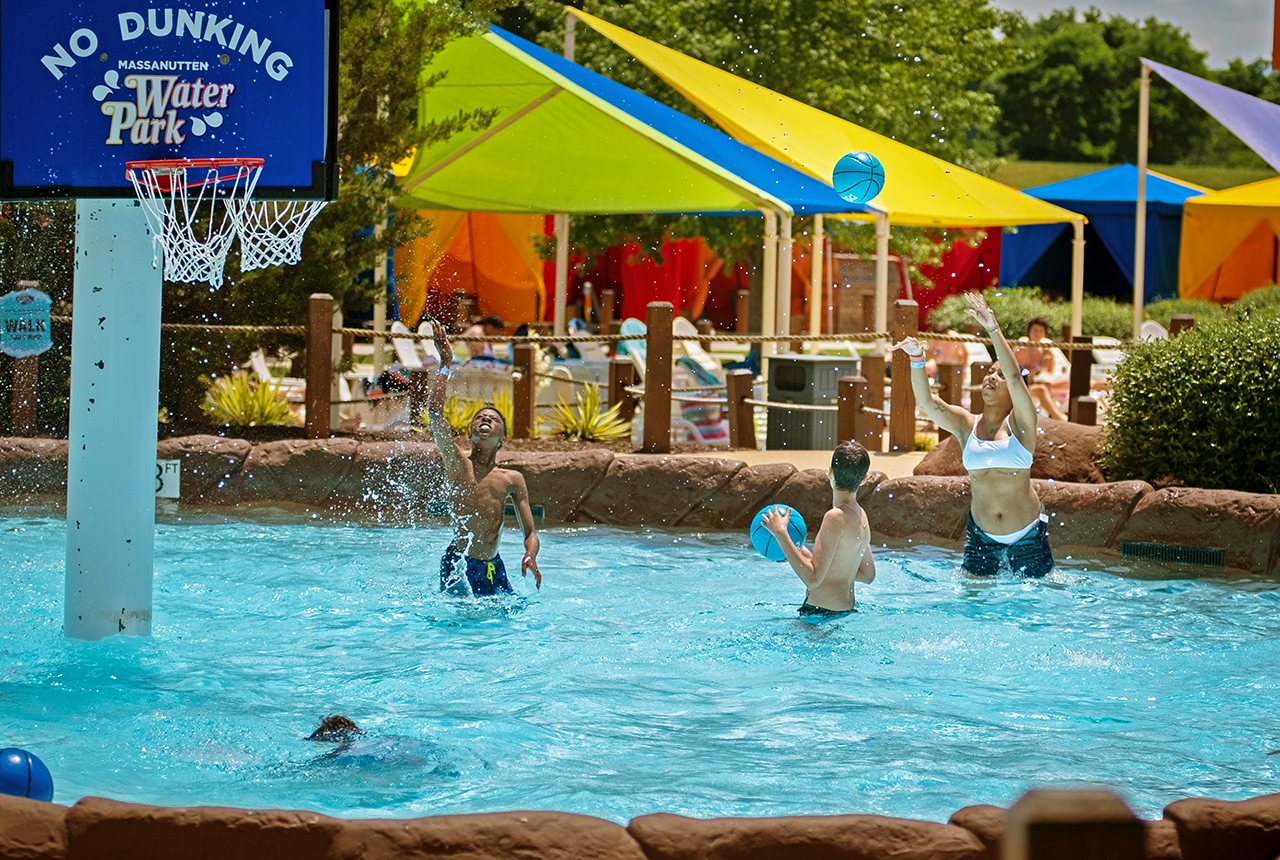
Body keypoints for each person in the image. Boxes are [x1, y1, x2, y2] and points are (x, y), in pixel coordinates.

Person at [893, 292, 1054, 578]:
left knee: (1035, 613)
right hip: (981, 538)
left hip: (1027, 536)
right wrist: (917, 359)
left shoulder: (1022, 424)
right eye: (989, 373)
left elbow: (1016, 377)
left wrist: (993, 329)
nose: (992, 377)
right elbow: (927, 403)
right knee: (974, 607)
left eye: (999, 374)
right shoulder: (967, 424)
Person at [428, 321, 541, 596]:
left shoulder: (512, 479)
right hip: (459, 563)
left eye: (493, 418)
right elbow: (434, 413)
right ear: (471, 433)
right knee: (462, 624)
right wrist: (445, 364)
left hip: (494, 566)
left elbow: (531, 533)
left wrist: (530, 555)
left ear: (503, 438)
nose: (486, 419)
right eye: (480, 417)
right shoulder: (458, 464)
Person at [761, 440, 876, 617]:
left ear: (830, 471)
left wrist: (781, 533)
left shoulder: (835, 517)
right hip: (846, 612)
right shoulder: (861, 516)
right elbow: (867, 574)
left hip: (819, 615)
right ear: (865, 478)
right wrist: (797, 552)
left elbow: (813, 579)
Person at [1014, 317, 1068, 420]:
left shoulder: (1045, 350)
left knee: (1067, 382)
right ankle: (1060, 418)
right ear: (1029, 332)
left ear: (1044, 334)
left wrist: (1049, 360)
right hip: (1021, 387)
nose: (1037, 334)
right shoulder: (1021, 349)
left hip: (1038, 383)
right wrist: (1039, 367)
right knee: (1041, 389)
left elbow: (1048, 373)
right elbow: (1020, 377)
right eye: (1035, 330)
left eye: (1041, 331)